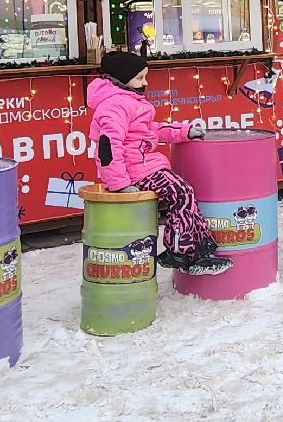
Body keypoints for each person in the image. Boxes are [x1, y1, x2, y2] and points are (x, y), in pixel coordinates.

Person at [87, 51, 231, 276]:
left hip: (145, 165)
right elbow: (108, 146)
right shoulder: (115, 105)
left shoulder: (129, 100)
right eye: (139, 78)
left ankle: (199, 249)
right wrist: (120, 184)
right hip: (135, 171)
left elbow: (151, 129)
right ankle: (181, 251)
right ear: (120, 78)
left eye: (145, 77)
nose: (145, 83)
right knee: (181, 192)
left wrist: (185, 131)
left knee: (183, 192)